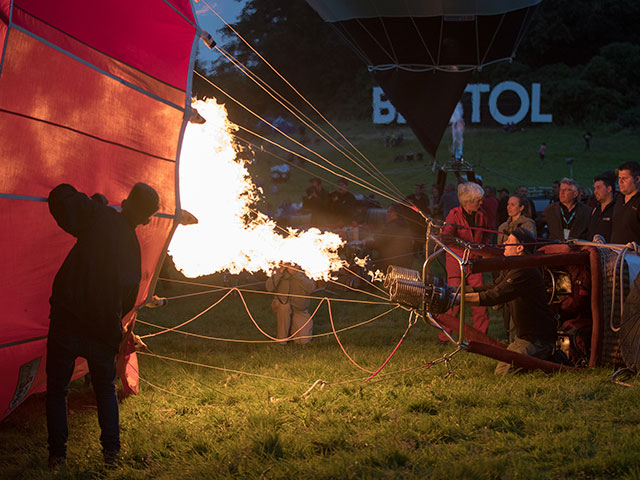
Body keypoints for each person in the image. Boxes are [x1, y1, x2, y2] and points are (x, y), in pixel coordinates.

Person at [46, 182, 160, 468]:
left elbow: (60, 198)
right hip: (102, 328)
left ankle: (57, 456)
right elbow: (127, 299)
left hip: (68, 320)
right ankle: (111, 455)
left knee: (57, 390)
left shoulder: (99, 216)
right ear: (146, 219)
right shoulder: (132, 251)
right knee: (105, 390)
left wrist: (92, 202)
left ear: (125, 201)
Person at [461, 228, 557, 375]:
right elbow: (492, 287)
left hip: (536, 339)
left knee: (503, 372)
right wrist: (456, 290)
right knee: (504, 368)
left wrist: (456, 299)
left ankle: (551, 359)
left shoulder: (525, 270)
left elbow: (495, 295)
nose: (504, 243)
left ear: (520, 248)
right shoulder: (513, 266)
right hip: (523, 337)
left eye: (509, 241)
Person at [437, 182, 491, 341]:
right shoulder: (454, 215)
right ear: (468, 202)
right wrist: (459, 245)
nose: (481, 203)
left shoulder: (482, 215)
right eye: (478, 200)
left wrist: (483, 248)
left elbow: (486, 235)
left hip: (475, 263)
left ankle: (480, 337)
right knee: (454, 301)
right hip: (456, 263)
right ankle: (445, 336)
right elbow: (446, 238)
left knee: (479, 301)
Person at [265, 264, 315, 344]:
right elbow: (269, 287)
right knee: (285, 307)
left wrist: (296, 274)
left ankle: (291, 328)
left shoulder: (306, 267)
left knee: (304, 341)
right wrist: (280, 272)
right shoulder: (278, 267)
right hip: (282, 306)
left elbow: (311, 288)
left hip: (300, 309)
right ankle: (282, 341)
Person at [372, 203, 415, 272]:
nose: (387, 214)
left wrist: (365, 243)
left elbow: (379, 243)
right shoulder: (404, 225)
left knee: (371, 264)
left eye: (389, 212)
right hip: (406, 262)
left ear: (394, 213)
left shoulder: (393, 226)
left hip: (393, 262)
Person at [611, 161, 640, 244]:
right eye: (619, 178)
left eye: (624, 178)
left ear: (637, 179)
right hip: (616, 252)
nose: (620, 182)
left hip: (634, 255)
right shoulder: (619, 198)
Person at [588, 172, 616, 243]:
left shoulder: (617, 209)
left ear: (609, 188)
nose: (595, 191)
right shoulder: (595, 210)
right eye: (594, 188)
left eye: (598, 188)